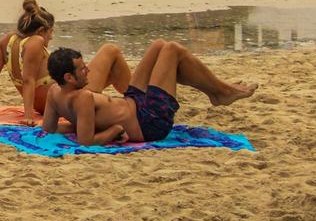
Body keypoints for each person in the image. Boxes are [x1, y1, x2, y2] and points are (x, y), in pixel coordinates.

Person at [42, 40, 257, 146]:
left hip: (134, 102)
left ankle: (218, 91)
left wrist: (74, 124)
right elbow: (85, 141)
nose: (88, 70)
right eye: (82, 69)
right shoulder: (84, 98)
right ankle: (221, 92)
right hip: (150, 121)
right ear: (69, 78)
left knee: (159, 46)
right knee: (172, 50)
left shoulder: (54, 92)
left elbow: (49, 128)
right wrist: (114, 130)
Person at [0, 0, 55, 122]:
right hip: (58, 104)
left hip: (42, 107)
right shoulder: (36, 41)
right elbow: (28, 80)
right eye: (51, 31)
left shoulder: (6, 41)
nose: (51, 37)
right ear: (41, 31)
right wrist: (28, 117)